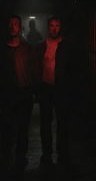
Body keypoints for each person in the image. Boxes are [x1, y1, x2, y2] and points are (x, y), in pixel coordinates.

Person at [0, 15, 36, 179]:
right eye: (10, 24)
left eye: (15, 24)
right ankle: (7, 158)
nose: (12, 26)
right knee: (7, 129)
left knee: (22, 129)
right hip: (7, 94)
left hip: (24, 93)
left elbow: (33, 71)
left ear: (20, 27)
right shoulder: (1, 50)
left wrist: (33, 89)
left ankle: (19, 158)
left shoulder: (27, 49)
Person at [36, 16, 73, 170]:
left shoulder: (67, 46)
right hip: (45, 88)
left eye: (57, 25)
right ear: (48, 27)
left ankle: (62, 153)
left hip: (61, 89)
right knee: (45, 122)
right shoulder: (41, 46)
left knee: (62, 122)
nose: (54, 28)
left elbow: (73, 68)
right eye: (52, 25)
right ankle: (47, 153)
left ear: (61, 27)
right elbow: (36, 68)